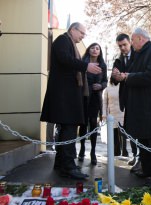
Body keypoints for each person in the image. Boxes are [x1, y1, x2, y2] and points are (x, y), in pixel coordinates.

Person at [40, 22, 102, 180]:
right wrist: (85, 66)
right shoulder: (62, 40)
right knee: (68, 129)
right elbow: (65, 59)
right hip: (63, 95)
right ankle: (68, 166)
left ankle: (61, 163)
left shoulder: (68, 42)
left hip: (67, 95)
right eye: (81, 33)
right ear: (73, 30)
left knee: (67, 129)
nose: (83, 36)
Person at [112, 28, 151, 179]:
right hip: (143, 113)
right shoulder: (139, 55)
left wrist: (127, 76)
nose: (131, 43)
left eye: (132, 40)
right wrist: (120, 75)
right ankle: (148, 173)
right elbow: (131, 73)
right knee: (145, 146)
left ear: (140, 38)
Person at [111, 33, 138, 167]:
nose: (122, 48)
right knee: (131, 128)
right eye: (120, 46)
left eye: (124, 45)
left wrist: (126, 76)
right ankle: (135, 155)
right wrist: (115, 76)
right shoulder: (118, 61)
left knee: (141, 129)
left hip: (139, 96)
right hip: (126, 98)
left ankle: (143, 157)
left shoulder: (138, 55)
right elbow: (113, 81)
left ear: (130, 43)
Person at [78, 43, 108, 165]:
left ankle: (93, 152)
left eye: (97, 48)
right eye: (92, 48)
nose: (95, 50)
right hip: (83, 97)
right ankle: (82, 149)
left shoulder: (103, 65)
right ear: (88, 50)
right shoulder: (83, 62)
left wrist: (101, 85)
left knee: (93, 124)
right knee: (83, 124)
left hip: (95, 97)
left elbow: (105, 81)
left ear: (100, 52)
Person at [102, 78, 125, 156]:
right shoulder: (107, 89)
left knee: (123, 134)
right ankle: (116, 151)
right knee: (114, 134)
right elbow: (104, 103)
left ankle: (125, 152)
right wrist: (104, 114)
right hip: (112, 114)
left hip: (122, 113)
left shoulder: (123, 87)